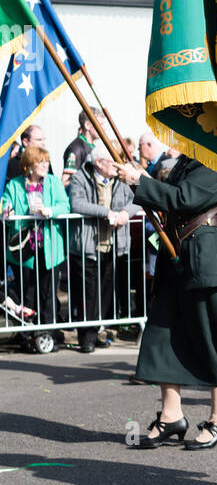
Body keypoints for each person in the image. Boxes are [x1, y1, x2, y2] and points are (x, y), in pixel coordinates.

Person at [117, 152, 217, 448]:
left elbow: (186, 198)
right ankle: (171, 415)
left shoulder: (216, 160)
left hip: (205, 257)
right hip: (177, 256)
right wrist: (139, 182)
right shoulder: (189, 160)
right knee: (162, 335)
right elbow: (168, 199)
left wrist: (141, 181)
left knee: (208, 338)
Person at [68, 144, 143, 352]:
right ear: (99, 163)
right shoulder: (79, 177)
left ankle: (96, 331)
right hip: (87, 246)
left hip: (113, 244)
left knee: (105, 293)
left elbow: (138, 198)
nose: (117, 165)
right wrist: (106, 212)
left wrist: (125, 213)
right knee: (88, 294)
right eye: (112, 160)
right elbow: (77, 203)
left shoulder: (120, 180)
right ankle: (87, 337)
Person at [1, 144, 70, 329]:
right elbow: (5, 206)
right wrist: (7, 212)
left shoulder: (53, 183)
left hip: (50, 247)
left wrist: (50, 211)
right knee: (27, 292)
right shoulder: (14, 185)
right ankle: (27, 333)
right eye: (41, 162)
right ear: (29, 165)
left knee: (48, 292)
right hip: (24, 248)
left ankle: (49, 332)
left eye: (47, 161)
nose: (45, 165)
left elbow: (65, 205)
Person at [62, 109, 104, 188]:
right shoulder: (76, 149)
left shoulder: (93, 147)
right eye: (100, 125)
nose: (104, 128)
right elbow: (65, 181)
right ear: (87, 125)